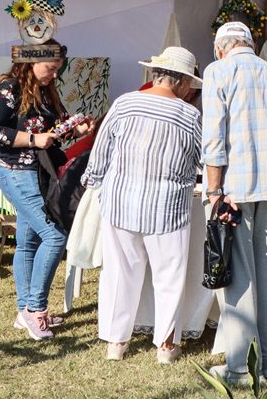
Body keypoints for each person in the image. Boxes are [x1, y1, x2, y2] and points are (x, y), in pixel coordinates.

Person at [82, 47, 202, 364]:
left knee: (120, 274)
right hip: (168, 206)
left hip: (121, 199)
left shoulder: (124, 103)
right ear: (184, 83)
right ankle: (165, 346)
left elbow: (101, 150)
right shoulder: (189, 115)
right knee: (169, 277)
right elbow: (202, 159)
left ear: (155, 75)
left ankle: (116, 343)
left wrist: (93, 180)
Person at [0, 39, 92, 340]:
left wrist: (75, 129)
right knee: (55, 236)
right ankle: (35, 310)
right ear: (31, 61)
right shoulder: (9, 87)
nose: (55, 75)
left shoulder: (44, 91)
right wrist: (31, 140)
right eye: (50, 69)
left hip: (40, 173)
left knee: (28, 241)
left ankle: (24, 311)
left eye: (58, 70)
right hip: (18, 173)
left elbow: (53, 130)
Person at [202, 22, 267, 384]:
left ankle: (241, 366)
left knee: (240, 277)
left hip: (235, 188)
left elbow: (214, 136)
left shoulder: (219, 71)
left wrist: (214, 191)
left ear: (221, 48)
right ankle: (266, 362)